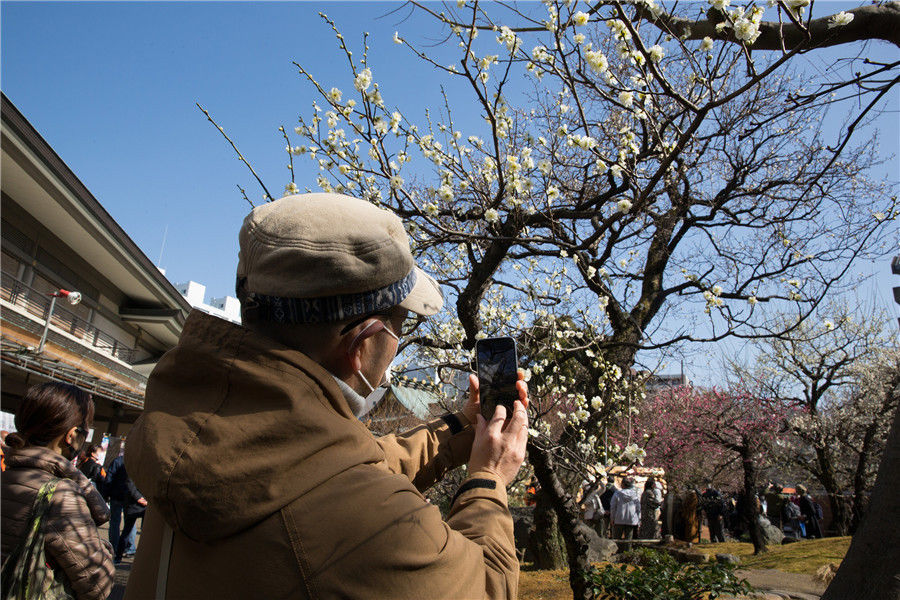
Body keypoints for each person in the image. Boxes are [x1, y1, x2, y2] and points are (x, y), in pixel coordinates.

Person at [124, 193, 530, 599]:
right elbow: (486, 587)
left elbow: (352, 464)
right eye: (400, 324)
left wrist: (459, 430)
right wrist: (489, 479)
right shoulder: (373, 526)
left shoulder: (192, 431)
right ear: (363, 343)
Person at [0, 382, 114, 600]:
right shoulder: (61, 494)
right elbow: (97, 585)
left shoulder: (5, 475)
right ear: (72, 435)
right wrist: (103, 548)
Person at [105, 450, 137, 559]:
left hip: (116, 495)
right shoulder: (134, 463)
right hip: (130, 497)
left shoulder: (117, 461)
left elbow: (109, 477)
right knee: (130, 524)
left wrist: (107, 493)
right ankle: (130, 547)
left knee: (115, 522)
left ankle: (114, 546)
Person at [610, 477, 641, 550]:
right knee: (628, 540)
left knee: (617, 538)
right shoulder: (634, 494)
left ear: (623, 484)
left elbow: (613, 507)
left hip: (619, 518)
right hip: (631, 519)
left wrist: (612, 518)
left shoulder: (617, 493)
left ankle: (616, 552)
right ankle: (627, 553)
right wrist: (638, 519)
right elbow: (638, 508)